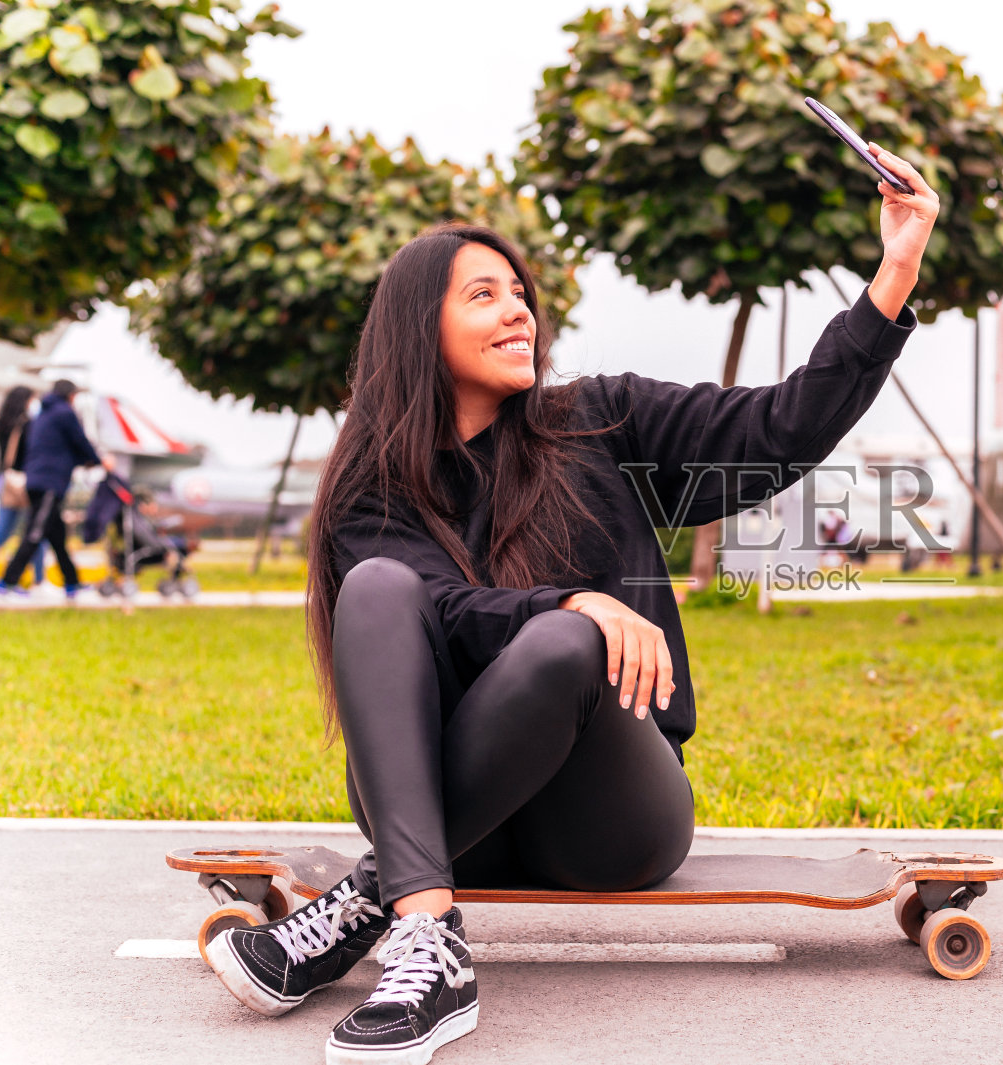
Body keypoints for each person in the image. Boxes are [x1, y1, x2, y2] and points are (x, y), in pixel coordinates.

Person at [202, 147, 938, 1065]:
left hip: (609, 819)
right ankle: (432, 948)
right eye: (484, 295)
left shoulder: (604, 421)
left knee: (563, 644)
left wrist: (894, 271)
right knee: (393, 589)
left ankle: (368, 901)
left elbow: (778, 428)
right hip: (446, 818)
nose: (519, 310)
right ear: (414, 331)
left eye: (520, 293)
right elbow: (442, 605)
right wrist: (577, 600)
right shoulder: (373, 494)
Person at [0, 380, 110, 601]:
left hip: (38, 480)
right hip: (49, 482)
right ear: (70, 395)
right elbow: (80, 441)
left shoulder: (43, 415)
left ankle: (72, 583)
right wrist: (98, 460)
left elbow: (59, 448)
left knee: (57, 536)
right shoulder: (64, 413)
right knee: (34, 534)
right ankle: (6, 582)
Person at [0, 385, 47, 588]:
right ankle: (39, 580)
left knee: (2, 534)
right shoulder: (26, 425)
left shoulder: (4, 423)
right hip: (21, 483)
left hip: (5, 480)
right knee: (35, 533)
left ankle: (38, 579)